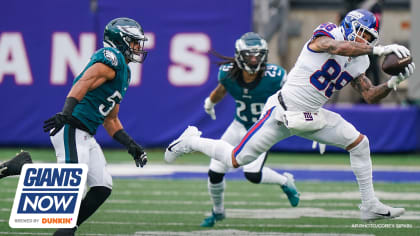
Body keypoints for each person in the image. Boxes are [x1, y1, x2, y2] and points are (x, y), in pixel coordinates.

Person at [165, 9, 415, 222]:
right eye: (363, 34)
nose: (366, 41)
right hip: (282, 112)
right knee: (235, 160)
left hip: (313, 116)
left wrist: (393, 83)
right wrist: (378, 50)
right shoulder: (329, 32)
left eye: (371, 38)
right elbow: (333, 47)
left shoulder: (360, 61)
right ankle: (190, 141)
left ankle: (369, 205)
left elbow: (369, 94)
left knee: (360, 143)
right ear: (350, 27)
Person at [43, 17, 148, 236]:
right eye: (134, 42)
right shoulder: (111, 58)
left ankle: (67, 229)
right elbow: (83, 82)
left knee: (102, 187)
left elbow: (110, 120)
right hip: (72, 128)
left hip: (86, 135)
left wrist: (132, 146)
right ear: (119, 41)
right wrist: (66, 112)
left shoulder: (125, 72)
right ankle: (64, 231)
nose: (138, 47)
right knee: (73, 192)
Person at [196, 32, 299, 227]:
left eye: (258, 55)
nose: (254, 59)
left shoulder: (275, 76)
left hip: (262, 130)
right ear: (239, 56)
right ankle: (218, 212)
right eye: (249, 55)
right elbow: (221, 90)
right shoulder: (228, 73)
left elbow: (293, 98)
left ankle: (285, 181)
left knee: (252, 175)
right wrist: (210, 102)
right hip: (239, 126)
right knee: (215, 172)